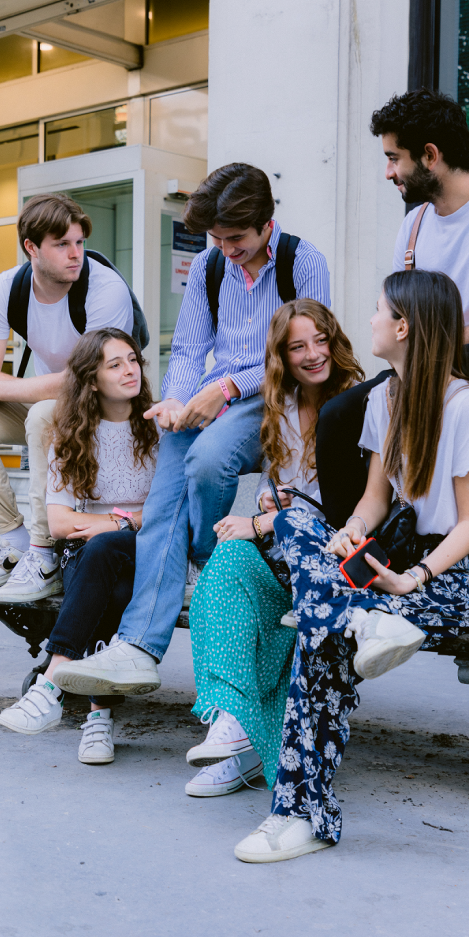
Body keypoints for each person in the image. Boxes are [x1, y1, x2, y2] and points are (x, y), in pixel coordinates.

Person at [234, 268, 469, 863]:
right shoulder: (384, 397)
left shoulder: (468, 409)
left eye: (379, 309)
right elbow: (376, 500)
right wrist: (349, 534)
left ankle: (296, 815)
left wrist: (414, 579)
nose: (370, 319)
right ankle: (346, 613)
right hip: (392, 561)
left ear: (402, 326)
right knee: (296, 520)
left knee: (319, 639)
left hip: (448, 573)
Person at [56, 163, 331, 697]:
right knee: (168, 479)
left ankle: (203, 563)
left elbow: (305, 353)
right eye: (216, 238)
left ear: (266, 224)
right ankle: (138, 647)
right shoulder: (209, 267)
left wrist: (225, 387)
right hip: (214, 396)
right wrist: (177, 401)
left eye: (237, 238)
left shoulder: (304, 260)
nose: (226, 248)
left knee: (207, 461)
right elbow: (186, 348)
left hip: (278, 396)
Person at [316, 89, 469, 639]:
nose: (388, 172)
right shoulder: (415, 224)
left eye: (393, 158)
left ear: (428, 155)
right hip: (431, 367)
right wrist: (430, 361)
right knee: (340, 416)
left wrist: (440, 355)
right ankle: (360, 549)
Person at [183, 300, 364, 798]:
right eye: (297, 346)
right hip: (282, 550)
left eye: (320, 341)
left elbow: (355, 503)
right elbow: (285, 480)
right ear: (282, 355)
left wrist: (264, 519)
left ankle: (243, 739)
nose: (312, 354)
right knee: (225, 565)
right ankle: (230, 723)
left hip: (332, 561)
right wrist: (270, 494)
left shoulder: (358, 403)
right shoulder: (280, 402)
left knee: (246, 555)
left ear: (335, 341)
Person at [0, 193, 134, 603]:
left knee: (43, 414)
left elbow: (91, 376)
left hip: (108, 411)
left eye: (79, 242)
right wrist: (1, 385)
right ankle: (13, 540)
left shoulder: (105, 290)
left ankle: (43, 552)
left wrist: (1, 387)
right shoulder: (6, 289)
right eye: (62, 244)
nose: (76, 254)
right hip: (52, 403)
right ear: (32, 248)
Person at [0, 329, 158, 765]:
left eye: (133, 360)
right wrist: (119, 521)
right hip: (90, 558)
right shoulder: (70, 435)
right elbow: (60, 522)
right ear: (91, 380)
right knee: (113, 583)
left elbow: (168, 511)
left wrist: (115, 521)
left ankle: (51, 683)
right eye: (115, 364)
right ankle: (98, 719)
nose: (130, 370)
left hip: (144, 548)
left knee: (107, 549)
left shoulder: (158, 428)